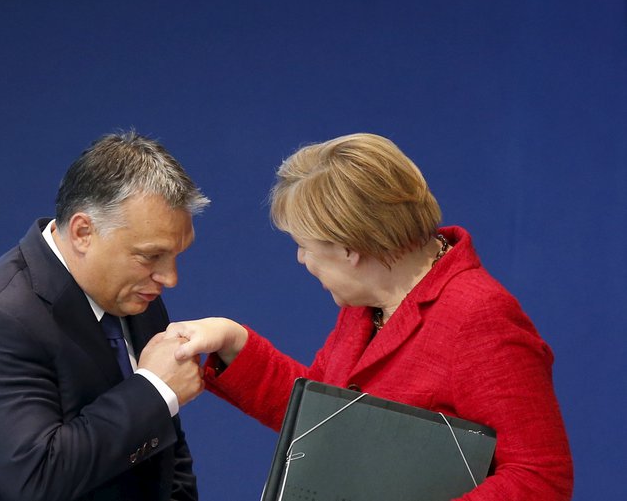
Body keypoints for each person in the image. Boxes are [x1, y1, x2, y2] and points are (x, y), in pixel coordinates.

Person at [167, 133, 573, 500]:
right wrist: (234, 341)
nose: (301, 259)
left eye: (304, 246)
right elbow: (325, 423)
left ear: (349, 247)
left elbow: (541, 478)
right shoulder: (368, 307)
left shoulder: (479, 316)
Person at [0, 131, 209, 501]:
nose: (170, 278)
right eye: (151, 256)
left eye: (176, 255)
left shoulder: (136, 297)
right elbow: (39, 479)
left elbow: (166, 458)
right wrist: (154, 389)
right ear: (83, 232)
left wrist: (157, 396)